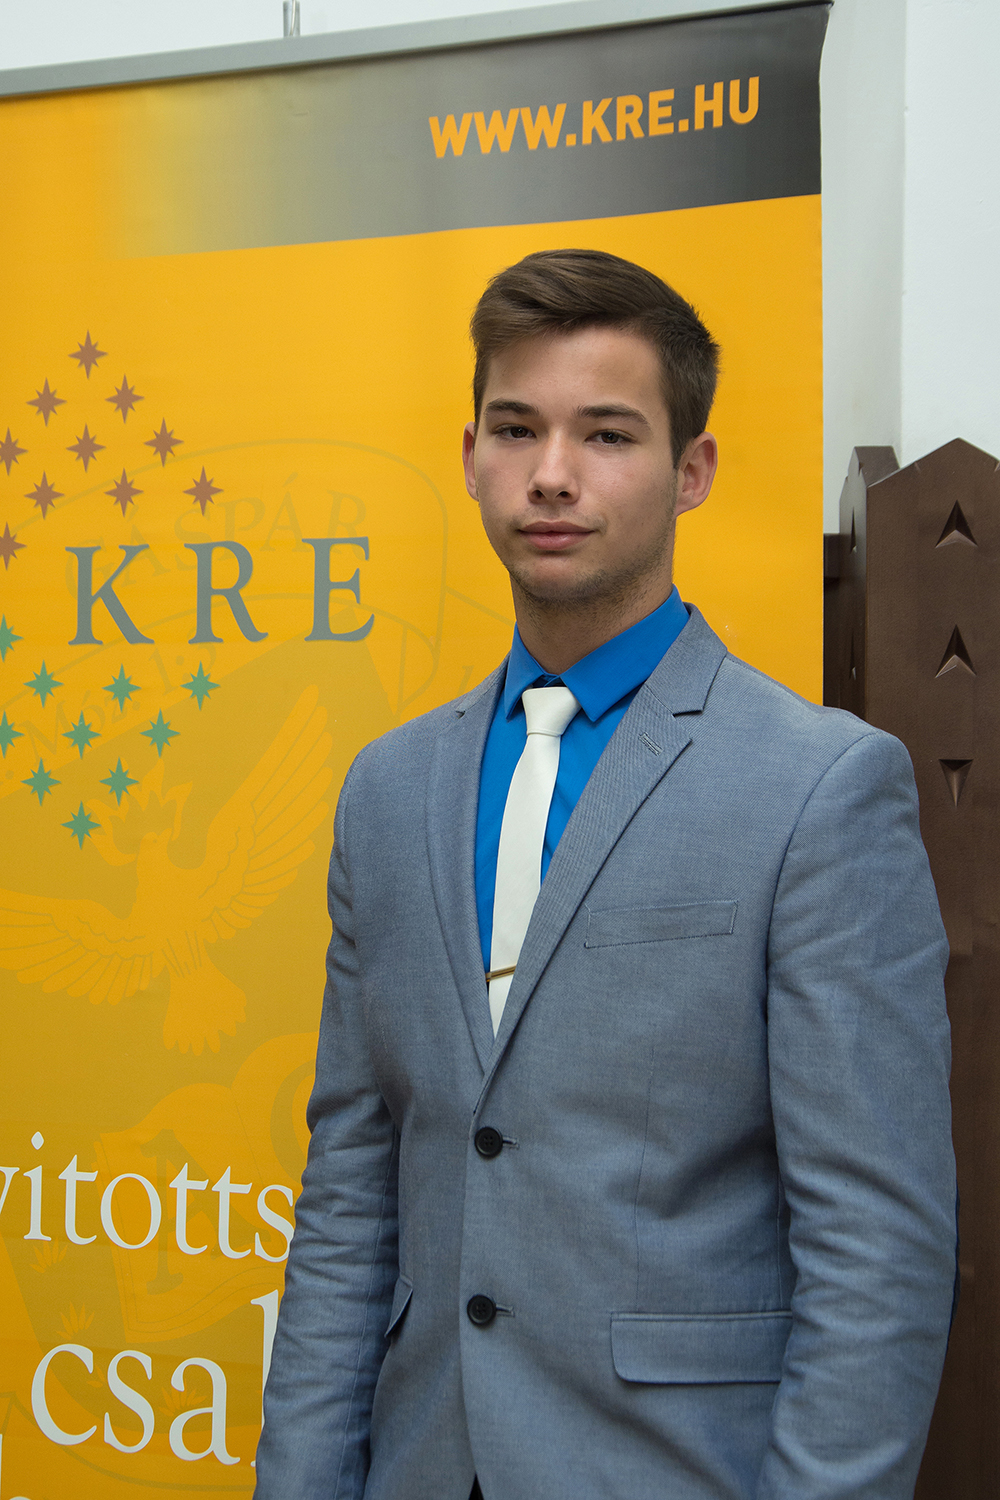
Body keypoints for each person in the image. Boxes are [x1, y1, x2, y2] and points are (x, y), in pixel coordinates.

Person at [254, 250, 956, 1500]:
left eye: (608, 434)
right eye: (516, 428)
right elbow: (351, 1198)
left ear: (692, 471)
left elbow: (876, 1250)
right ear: (470, 453)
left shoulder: (818, 787)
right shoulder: (388, 790)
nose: (552, 473)